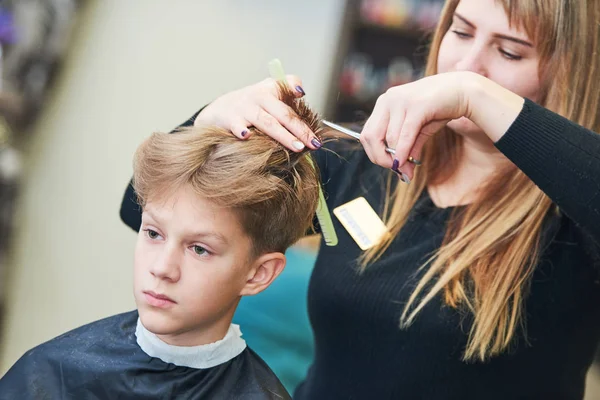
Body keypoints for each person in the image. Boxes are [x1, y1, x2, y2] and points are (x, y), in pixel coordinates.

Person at [120, 0, 600, 398]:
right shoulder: (355, 167)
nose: (466, 67)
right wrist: (209, 118)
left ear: (569, 72)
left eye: (510, 53)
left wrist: (476, 96)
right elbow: (138, 211)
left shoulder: (572, 221)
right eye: (461, 31)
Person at [0, 84, 327, 400]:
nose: (162, 268)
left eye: (199, 249)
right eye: (154, 234)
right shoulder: (50, 373)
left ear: (259, 273)